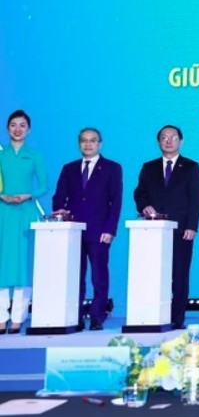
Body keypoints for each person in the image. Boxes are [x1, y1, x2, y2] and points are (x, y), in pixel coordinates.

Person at [52, 128, 123, 331]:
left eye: (92, 141)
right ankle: (76, 315)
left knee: (99, 275)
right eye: (84, 141)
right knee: (75, 275)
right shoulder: (69, 168)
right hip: (72, 231)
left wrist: (110, 229)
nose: (88, 144)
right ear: (79, 144)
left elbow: (115, 201)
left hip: (99, 230)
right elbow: (59, 196)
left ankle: (97, 315)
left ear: (100, 143)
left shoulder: (112, 168)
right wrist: (59, 212)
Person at [133, 125, 199, 330]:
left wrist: (192, 226)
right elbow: (139, 193)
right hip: (154, 230)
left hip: (182, 230)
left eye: (173, 137)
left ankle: (177, 317)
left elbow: (196, 198)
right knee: (154, 274)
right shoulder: (149, 167)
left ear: (181, 141)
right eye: (164, 137)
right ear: (158, 142)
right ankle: (154, 313)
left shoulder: (190, 166)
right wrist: (144, 206)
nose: (168, 141)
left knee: (180, 275)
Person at [0, 110, 47, 334]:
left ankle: (18, 316)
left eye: (22, 125)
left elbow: (44, 186)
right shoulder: (1, 155)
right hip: (3, 212)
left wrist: (28, 195)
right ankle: (1, 316)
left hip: (26, 212)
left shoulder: (35, 156)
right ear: (7, 128)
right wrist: (2, 196)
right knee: (2, 265)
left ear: (28, 130)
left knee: (23, 265)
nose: (17, 129)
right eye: (13, 125)